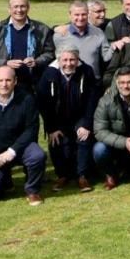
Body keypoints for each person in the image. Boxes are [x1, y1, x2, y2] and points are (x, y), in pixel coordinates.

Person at [0, 66, 47, 205]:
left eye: (8, 80)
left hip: (18, 148)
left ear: (15, 81)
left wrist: (11, 152)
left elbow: (31, 129)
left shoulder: (27, 99)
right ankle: (5, 178)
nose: (4, 84)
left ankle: (33, 191)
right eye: (0, 80)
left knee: (37, 155)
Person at [36, 46, 100, 193]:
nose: (69, 63)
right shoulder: (48, 74)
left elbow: (92, 99)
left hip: (80, 115)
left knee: (83, 139)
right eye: (65, 60)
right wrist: (51, 128)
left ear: (78, 60)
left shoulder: (87, 71)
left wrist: (87, 124)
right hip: (58, 118)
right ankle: (62, 176)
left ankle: (82, 176)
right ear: (59, 60)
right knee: (57, 141)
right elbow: (43, 103)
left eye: (72, 60)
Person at [0, 0, 55, 90]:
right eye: (15, 7)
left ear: (28, 8)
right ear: (9, 9)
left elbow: (50, 53)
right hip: (4, 85)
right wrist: (6, 63)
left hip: (32, 85)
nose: (19, 10)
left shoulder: (42, 29)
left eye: (22, 6)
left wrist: (37, 61)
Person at [52, 0, 111, 78]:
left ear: (88, 14)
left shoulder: (98, 33)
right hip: (68, 81)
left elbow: (106, 57)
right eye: (77, 15)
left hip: (92, 81)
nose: (80, 18)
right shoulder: (59, 35)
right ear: (70, 15)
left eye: (83, 14)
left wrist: (114, 47)